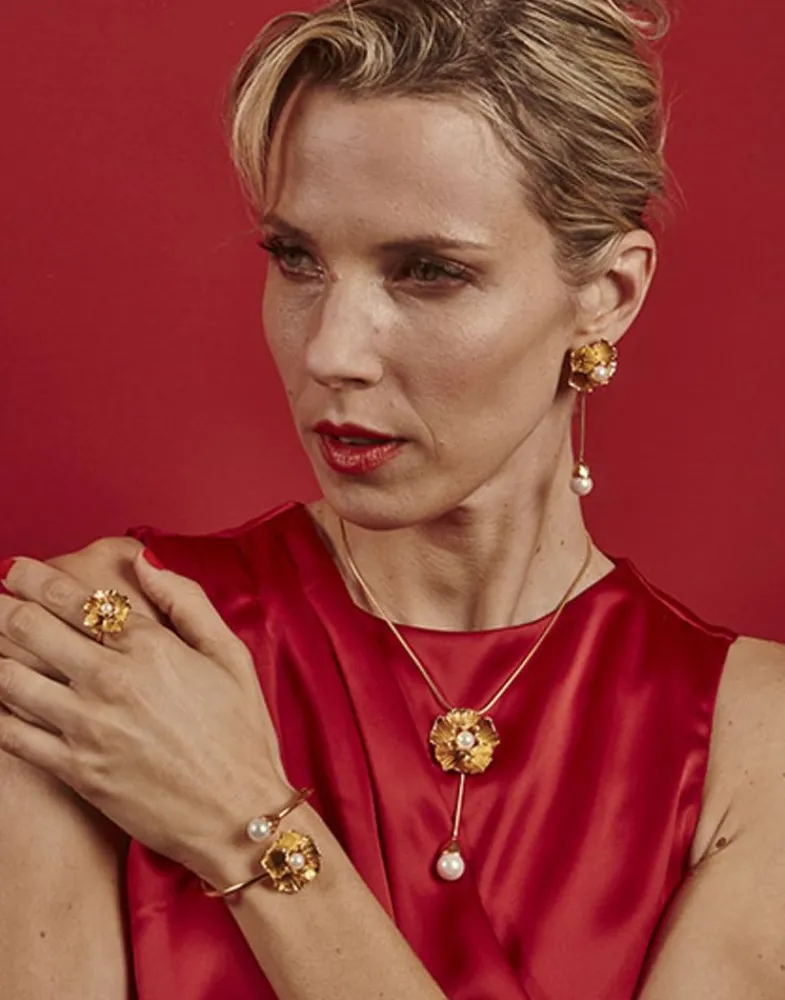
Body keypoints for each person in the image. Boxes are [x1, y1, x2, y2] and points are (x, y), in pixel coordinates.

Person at [0, 0, 783, 997]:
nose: (332, 351)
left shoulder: (752, 742)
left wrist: (241, 822)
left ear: (607, 295)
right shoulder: (113, 648)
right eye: (296, 259)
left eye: (427, 273)